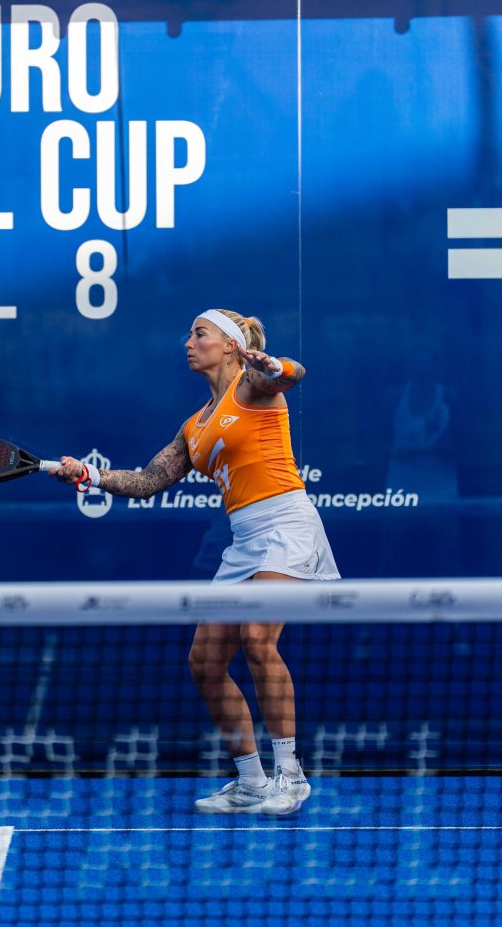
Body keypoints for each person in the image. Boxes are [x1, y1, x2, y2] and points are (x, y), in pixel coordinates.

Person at [52, 309, 339, 816]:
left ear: (229, 345)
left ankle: (290, 777)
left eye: (198, 334)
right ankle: (252, 782)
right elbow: (148, 481)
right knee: (204, 662)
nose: (188, 343)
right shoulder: (194, 425)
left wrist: (272, 364)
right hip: (243, 539)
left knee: (257, 638)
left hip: (287, 525)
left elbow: (293, 374)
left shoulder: (253, 386)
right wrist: (89, 475)